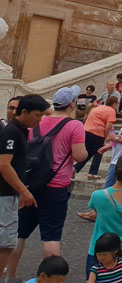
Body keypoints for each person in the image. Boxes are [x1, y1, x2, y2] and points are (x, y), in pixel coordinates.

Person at [7, 87, 86, 279]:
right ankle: (51, 280)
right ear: (73, 103)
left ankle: (10, 276)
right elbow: (79, 155)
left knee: (20, 234)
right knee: (51, 236)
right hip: (55, 186)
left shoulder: (36, 121)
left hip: (30, 185)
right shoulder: (74, 125)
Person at [0, 95, 49, 276]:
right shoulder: (12, 132)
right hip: (4, 193)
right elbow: (4, 164)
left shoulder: (20, 130)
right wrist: (23, 190)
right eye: (37, 115)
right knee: (5, 243)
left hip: (8, 193)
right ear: (24, 112)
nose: (40, 119)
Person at [77, 96, 118, 179]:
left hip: (86, 130)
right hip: (97, 133)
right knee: (99, 152)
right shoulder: (111, 111)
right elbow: (108, 126)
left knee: (89, 152)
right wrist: (106, 138)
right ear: (114, 103)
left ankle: (76, 168)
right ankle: (92, 173)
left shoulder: (99, 107)